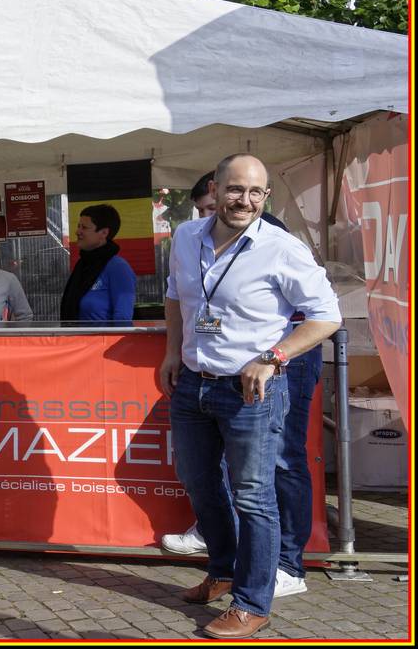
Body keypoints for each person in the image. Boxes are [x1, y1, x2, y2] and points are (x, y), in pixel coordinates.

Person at [158, 153, 340, 639]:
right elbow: (175, 295)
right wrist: (172, 352)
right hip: (193, 383)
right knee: (199, 483)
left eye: (256, 192)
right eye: (236, 189)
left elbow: (327, 316)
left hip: (250, 391)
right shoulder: (186, 237)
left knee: (254, 497)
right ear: (215, 190)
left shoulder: (282, 248)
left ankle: (252, 603)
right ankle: (221, 571)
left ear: (266, 197)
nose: (245, 200)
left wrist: (273, 357)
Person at [59, 203, 136, 322]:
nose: (78, 231)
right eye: (78, 226)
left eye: (84, 227)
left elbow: (123, 318)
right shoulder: (82, 265)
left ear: (104, 233)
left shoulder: (118, 267)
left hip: (103, 334)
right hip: (74, 334)